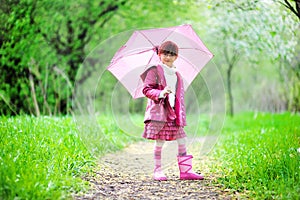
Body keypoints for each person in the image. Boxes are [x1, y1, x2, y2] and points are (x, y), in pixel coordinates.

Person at [140, 41, 204, 181]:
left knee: (182, 140)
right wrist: (161, 93)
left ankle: (186, 171)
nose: (168, 57)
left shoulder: (177, 74)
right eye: (165, 53)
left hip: (174, 113)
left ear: (176, 57)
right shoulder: (154, 70)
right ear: (159, 54)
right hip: (160, 113)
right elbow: (146, 89)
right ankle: (158, 170)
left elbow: (178, 94)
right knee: (160, 141)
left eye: (171, 54)